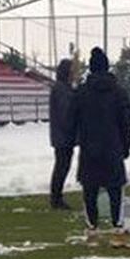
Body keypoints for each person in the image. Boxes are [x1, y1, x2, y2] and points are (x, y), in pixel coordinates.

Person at [67, 47, 130, 246]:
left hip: (89, 148)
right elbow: (126, 123)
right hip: (113, 147)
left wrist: (76, 141)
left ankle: (92, 231)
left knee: (90, 190)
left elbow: (72, 121)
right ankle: (118, 230)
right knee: (115, 190)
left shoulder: (81, 93)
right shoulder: (119, 93)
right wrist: (125, 147)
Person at [48, 58, 76, 210]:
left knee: (62, 166)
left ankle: (57, 197)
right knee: (62, 166)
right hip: (63, 135)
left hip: (62, 134)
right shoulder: (61, 89)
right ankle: (56, 198)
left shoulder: (63, 88)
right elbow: (66, 112)